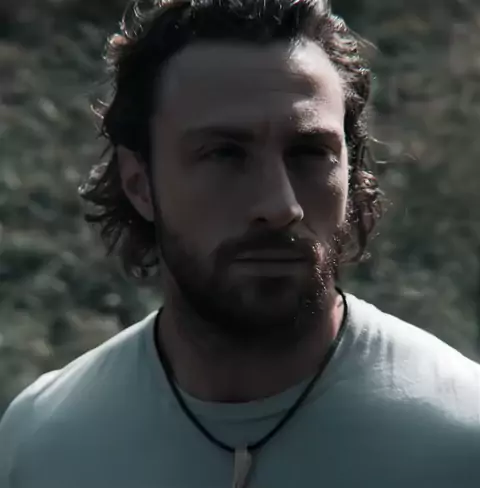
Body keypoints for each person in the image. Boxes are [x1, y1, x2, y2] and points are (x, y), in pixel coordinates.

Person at [1, 0, 480, 486]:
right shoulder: (46, 444)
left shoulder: (461, 438)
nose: (280, 206)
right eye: (224, 154)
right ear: (139, 183)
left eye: (310, 153)